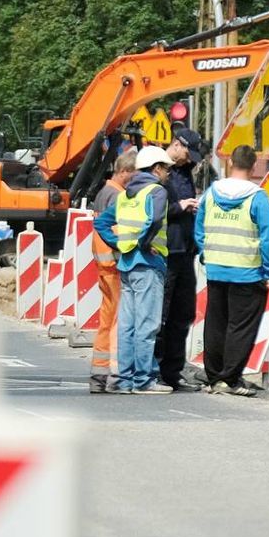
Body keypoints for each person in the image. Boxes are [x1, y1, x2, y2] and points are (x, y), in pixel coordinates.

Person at [193, 144, 269, 396]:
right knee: (241, 326)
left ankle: (214, 376)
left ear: (230, 163)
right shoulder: (257, 197)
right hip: (247, 272)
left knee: (216, 324)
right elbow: (267, 238)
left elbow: (199, 229)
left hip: (217, 269)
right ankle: (230, 379)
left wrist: (206, 253)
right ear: (253, 168)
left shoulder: (211, 193)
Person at [95, 146, 174, 395]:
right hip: (149, 266)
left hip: (126, 264)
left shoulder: (125, 195)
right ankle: (143, 380)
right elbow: (156, 220)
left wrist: (120, 244)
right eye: (166, 169)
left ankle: (122, 380)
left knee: (127, 325)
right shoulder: (156, 192)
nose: (168, 174)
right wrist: (144, 243)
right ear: (156, 168)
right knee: (147, 325)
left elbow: (101, 222)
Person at [154, 125, 204, 391]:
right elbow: (152, 208)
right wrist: (179, 207)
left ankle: (173, 371)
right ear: (177, 145)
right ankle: (156, 370)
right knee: (161, 314)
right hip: (166, 251)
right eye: (188, 153)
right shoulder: (156, 168)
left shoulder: (183, 171)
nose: (190, 160)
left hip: (185, 250)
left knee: (182, 313)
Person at [88, 149, 137, 393]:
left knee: (106, 320)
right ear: (125, 172)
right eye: (134, 174)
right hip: (115, 266)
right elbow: (120, 236)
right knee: (119, 320)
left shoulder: (102, 193)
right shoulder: (118, 197)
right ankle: (117, 374)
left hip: (103, 266)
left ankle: (99, 372)